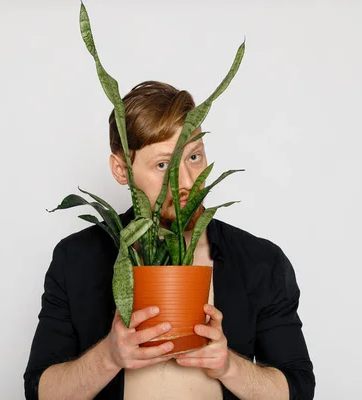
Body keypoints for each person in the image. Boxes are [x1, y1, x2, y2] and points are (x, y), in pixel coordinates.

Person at [24, 81, 315, 400]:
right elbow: (39, 391)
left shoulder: (261, 261)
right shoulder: (75, 258)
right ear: (122, 170)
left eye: (194, 157)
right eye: (163, 165)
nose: (187, 183)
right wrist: (109, 357)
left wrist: (228, 366)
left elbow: (298, 389)